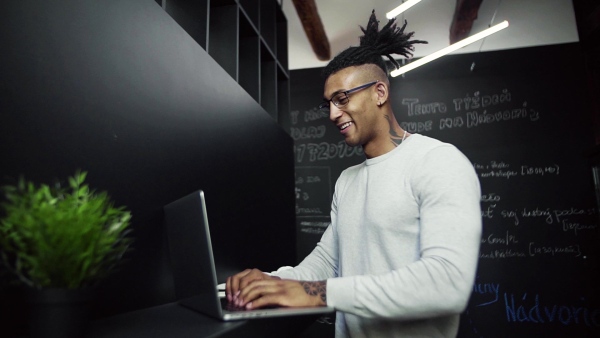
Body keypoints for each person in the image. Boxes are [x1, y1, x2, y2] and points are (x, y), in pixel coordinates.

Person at [226, 10, 482, 338]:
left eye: (342, 98)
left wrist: (318, 292)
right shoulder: (347, 180)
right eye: (328, 103)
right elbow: (328, 260)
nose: (333, 113)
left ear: (379, 92)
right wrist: (271, 282)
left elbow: (447, 284)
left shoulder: (439, 162)